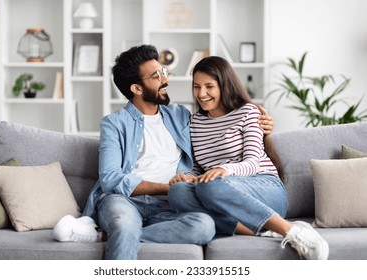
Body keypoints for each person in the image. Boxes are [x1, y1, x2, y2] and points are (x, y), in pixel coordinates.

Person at [82, 45, 274, 260]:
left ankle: (112, 237)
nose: (165, 79)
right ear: (136, 88)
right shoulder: (114, 124)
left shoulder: (181, 115)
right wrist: (166, 187)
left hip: (170, 204)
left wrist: (261, 124)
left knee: (204, 226)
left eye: (163, 71)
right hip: (124, 201)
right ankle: (123, 234)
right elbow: (110, 178)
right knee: (124, 225)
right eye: (157, 76)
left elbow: (216, 128)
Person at [168, 56, 329, 260]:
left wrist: (225, 171)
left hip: (263, 187)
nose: (201, 93)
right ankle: (259, 229)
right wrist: (188, 176)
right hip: (222, 192)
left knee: (210, 185)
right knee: (177, 192)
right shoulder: (196, 123)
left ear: (224, 85)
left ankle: (293, 232)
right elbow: (200, 168)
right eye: (196, 86)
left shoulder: (248, 112)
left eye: (209, 86)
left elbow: (252, 163)